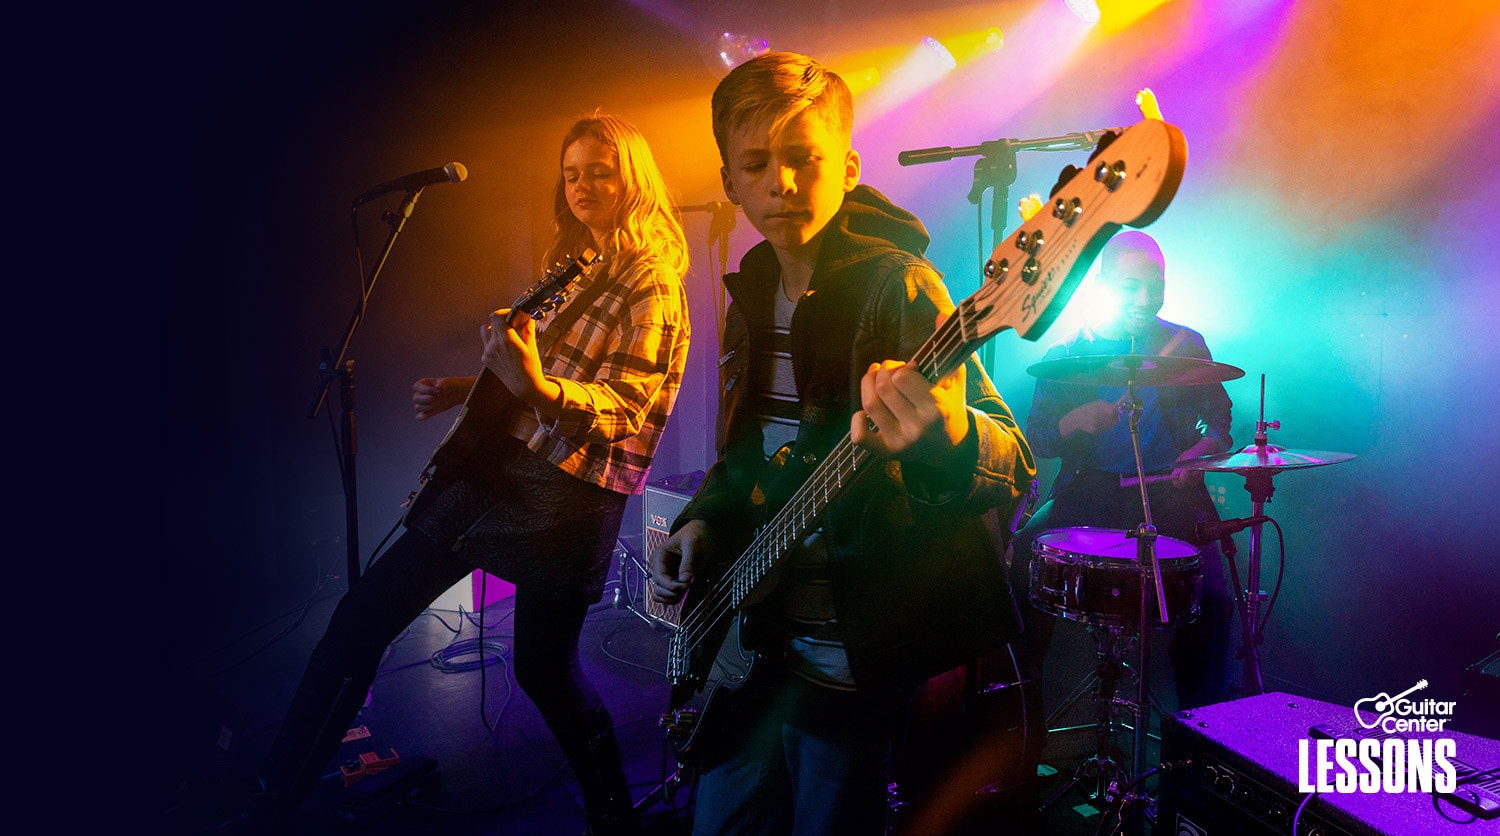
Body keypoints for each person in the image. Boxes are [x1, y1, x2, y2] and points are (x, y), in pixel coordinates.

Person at [248, 112, 691, 836]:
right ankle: (273, 800)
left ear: (632, 180)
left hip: (562, 497)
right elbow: (538, 375)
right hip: (499, 472)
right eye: (571, 172)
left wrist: (538, 387)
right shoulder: (582, 264)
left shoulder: (653, 282)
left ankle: (615, 819)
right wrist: (466, 386)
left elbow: (622, 408)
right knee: (361, 621)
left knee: (543, 673)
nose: (581, 185)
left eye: (598, 172)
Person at [647, 52, 1035, 835]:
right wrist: (700, 520)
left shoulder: (901, 283)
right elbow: (750, 446)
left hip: (850, 652)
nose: (780, 184)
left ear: (848, 166)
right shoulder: (754, 284)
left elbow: (1012, 458)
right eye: (756, 165)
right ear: (730, 181)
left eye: (803, 160)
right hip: (755, 633)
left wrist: (946, 437)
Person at [1008, 229, 1235, 714]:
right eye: (1131, 287)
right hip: (1088, 492)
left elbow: (1218, 417)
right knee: (1020, 566)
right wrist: (1073, 421)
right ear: (1104, 285)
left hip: (1169, 494)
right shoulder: (1069, 355)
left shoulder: (1185, 343)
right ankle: (1017, 736)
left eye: (1157, 285)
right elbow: (1037, 438)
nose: (1146, 298)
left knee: (1213, 600)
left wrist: (1205, 446)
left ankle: (1199, 755)